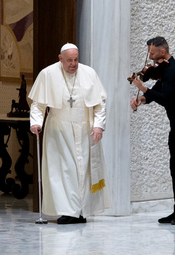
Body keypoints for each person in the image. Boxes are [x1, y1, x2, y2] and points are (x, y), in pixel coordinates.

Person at [29, 43, 109, 224]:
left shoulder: (89, 73)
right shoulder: (47, 74)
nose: (73, 64)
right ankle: (67, 211)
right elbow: (38, 104)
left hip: (85, 130)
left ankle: (81, 211)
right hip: (58, 131)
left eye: (76, 60)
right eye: (69, 61)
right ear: (60, 59)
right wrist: (35, 123)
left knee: (84, 171)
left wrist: (98, 126)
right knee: (64, 171)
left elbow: (100, 104)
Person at [130, 37, 175, 225]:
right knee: (174, 168)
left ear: (163, 51)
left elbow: (166, 99)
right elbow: (157, 92)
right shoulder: (163, 70)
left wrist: (142, 88)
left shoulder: (174, 71)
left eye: (152, 53)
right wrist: (142, 99)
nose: (150, 57)